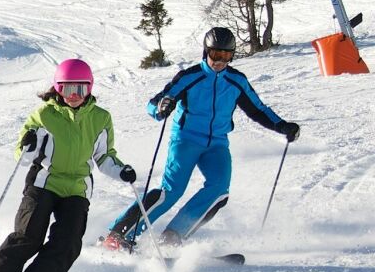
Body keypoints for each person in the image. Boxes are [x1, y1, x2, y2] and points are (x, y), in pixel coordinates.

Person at [103, 27, 300, 250]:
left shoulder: (236, 81)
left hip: (217, 144)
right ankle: (119, 234)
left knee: (219, 190)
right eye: (216, 55)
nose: (220, 61)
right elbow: (155, 103)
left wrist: (282, 126)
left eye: (226, 56)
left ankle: (174, 236)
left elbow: (257, 109)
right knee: (171, 191)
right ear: (206, 52)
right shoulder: (191, 77)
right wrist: (162, 107)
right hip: (186, 140)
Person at [0, 59, 135, 272]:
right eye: (67, 89)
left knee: (68, 242)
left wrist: (121, 170)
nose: (73, 96)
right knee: (28, 235)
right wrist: (29, 143)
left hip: (77, 188)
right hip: (43, 182)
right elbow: (23, 156)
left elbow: (104, 157)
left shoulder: (101, 118)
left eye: (80, 89)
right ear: (57, 88)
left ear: (89, 88)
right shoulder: (44, 115)